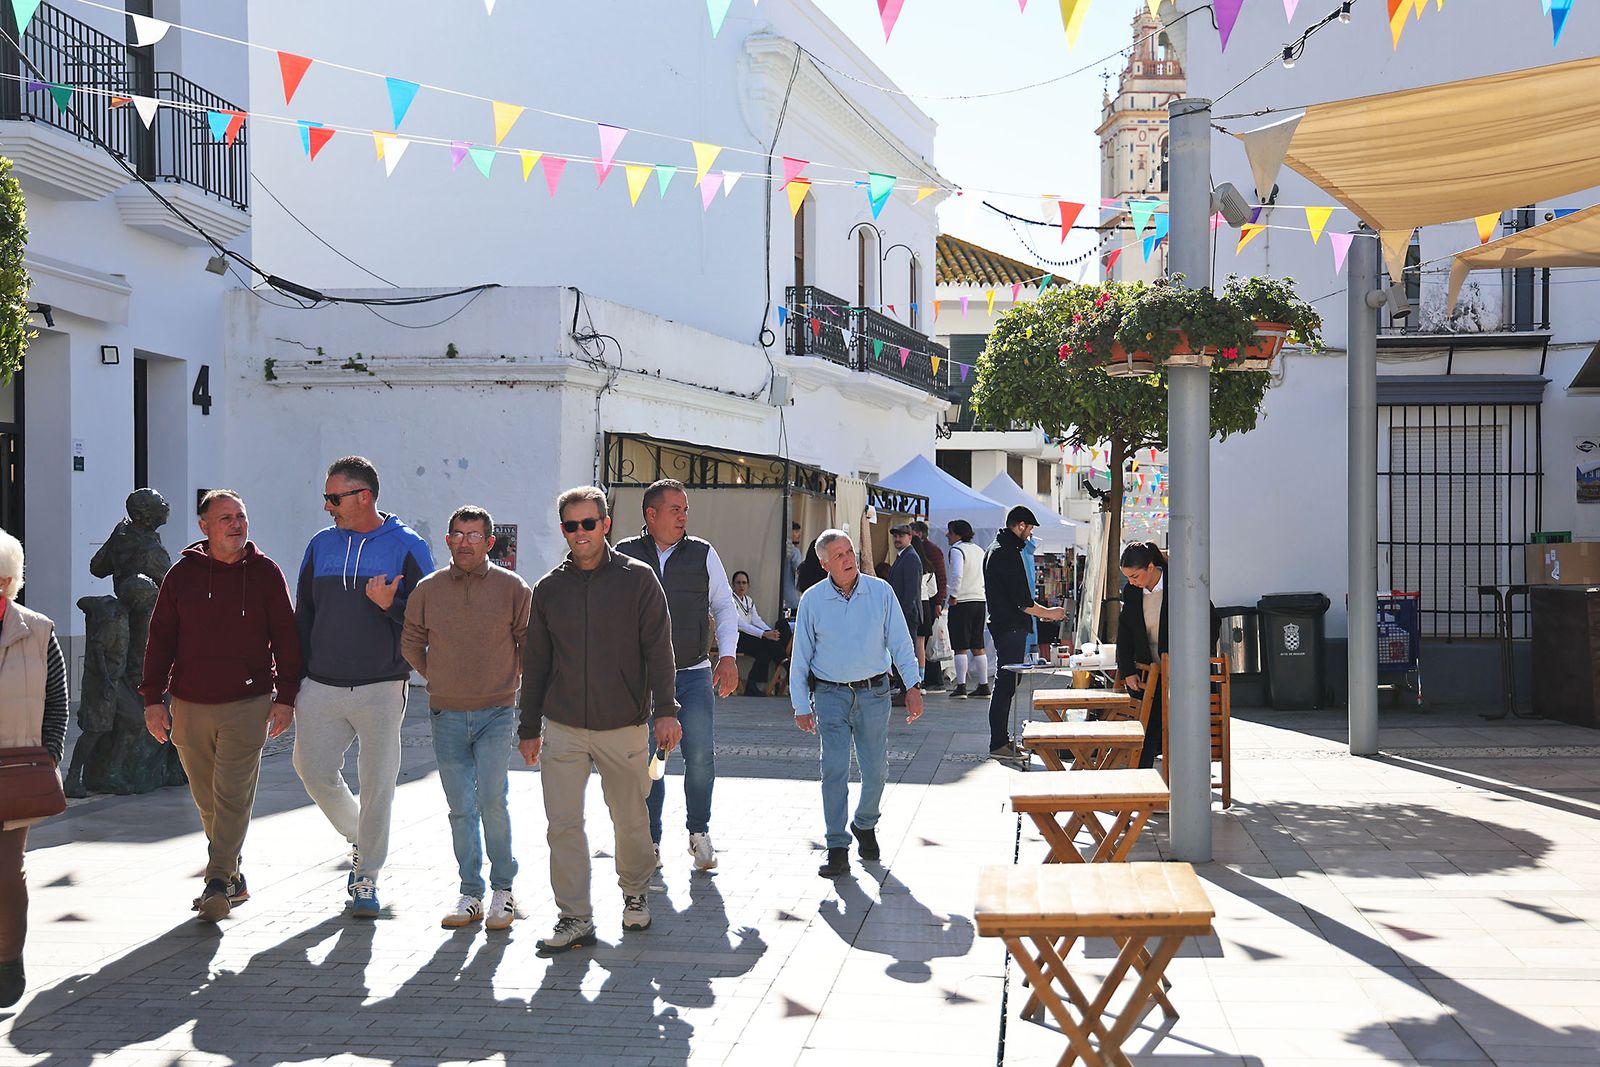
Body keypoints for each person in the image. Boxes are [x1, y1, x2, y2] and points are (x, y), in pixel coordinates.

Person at [518, 486, 682, 952]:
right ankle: (574, 916)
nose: (580, 534)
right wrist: (529, 728)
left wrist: (666, 711)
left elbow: (659, 650)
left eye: (588, 524)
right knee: (562, 824)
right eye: (571, 526)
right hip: (564, 727)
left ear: (605, 524)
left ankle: (635, 893)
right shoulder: (549, 589)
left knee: (630, 820)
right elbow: (537, 662)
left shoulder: (638, 578)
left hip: (624, 724)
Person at [140, 490, 301, 922]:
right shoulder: (182, 575)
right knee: (207, 796)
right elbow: (160, 639)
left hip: (248, 701)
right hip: (190, 702)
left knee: (231, 792)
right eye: (226, 518)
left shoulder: (265, 573)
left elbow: (287, 637)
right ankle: (234, 875)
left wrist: (285, 697)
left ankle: (217, 879)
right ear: (205, 527)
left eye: (241, 516)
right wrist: (153, 699)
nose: (236, 524)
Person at [293, 456, 435, 919]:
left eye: (335, 498)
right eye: (326, 498)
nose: (328, 507)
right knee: (311, 770)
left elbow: (429, 616)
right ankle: (361, 835)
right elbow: (304, 614)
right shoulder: (320, 545)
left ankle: (367, 876)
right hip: (321, 683)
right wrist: (292, 682)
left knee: (378, 785)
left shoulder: (408, 545)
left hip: (382, 684)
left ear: (364, 496)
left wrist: (391, 604)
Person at [402, 505, 532, 931]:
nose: (464, 542)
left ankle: (503, 891)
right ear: (447, 540)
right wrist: (436, 676)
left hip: (497, 711)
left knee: (493, 800)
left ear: (490, 542)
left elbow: (529, 645)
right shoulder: (428, 589)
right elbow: (410, 642)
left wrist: (521, 691)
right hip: (446, 713)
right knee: (460, 808)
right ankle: (470, 893)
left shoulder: (513, 588)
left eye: (474, 535)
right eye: (457, 534)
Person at [614, 480, 741, 872]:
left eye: (686, 509)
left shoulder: (703, 553)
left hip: (693, 673)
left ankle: (698, 832)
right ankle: (650, 841)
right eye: (675, 509)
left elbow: (723, 606)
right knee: (649, 762)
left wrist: (729, 657)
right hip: (642, 680)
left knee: (701, 756)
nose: (684, 516)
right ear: (650, 515)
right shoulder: (623, 554)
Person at [790, 529, 923, 878]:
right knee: (833, 770)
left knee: (876, 771)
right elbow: (800, 657)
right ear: (824, 564)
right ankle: (836, 846)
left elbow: (900, 641)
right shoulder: (813, 600)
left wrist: (913, 685)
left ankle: (864, 823)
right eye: (838, 555)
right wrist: (800, 703)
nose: (848, 559)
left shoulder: (880, 592)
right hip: (830, 696)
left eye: (849, 552)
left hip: (873, 694)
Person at [0, 527, 67, 1007]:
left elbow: (57, 704)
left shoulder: (37, 630)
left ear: (8, 580)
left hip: (12, 770)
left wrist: (45, 758)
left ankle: (7, 962)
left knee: (6, 871)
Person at [1114, 541, 1221, 770]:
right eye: (1128, 578)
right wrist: (1128, 671)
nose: (1132, 582)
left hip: (1182, 671)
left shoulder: (1182, 583)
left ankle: (1183, 781)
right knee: (1146, 727)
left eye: (1135, 576)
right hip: (1149, 671)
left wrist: (1196, 659)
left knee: (1182, 727)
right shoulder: (1132, 592)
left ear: (1151, 567)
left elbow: (1211, 620)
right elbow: (1124, 632)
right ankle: (1143, 783)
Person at [983, 506, 1066, 760]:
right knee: (1006, 683)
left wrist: (1040, 612)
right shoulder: (1006, 552)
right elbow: (1022, 600)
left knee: (1007, 682)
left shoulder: (999, 548)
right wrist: (1050, 613)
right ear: (1019, 525)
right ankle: (999, 742)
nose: (1030, 534)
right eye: (1029, 529)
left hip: (1006, 624)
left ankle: (1000, 740)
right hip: (1009, 626)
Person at [944, 520, 990, 700]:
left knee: (960, 645)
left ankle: (961, 685)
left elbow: (957, 574)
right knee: (978, 645)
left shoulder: (957, 550)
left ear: (957, 534)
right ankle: (984, 684)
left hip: (962, 600)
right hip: (979, 599)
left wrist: (953, 594)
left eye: (950, 532)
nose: (947, 535)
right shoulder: (979, 550)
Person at [729, 571, 791, 697]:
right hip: (735, 637)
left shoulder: (749, 601)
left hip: (748, 636)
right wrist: (764, 634)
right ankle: (786, 664)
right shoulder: (730, 601)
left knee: (768, 646)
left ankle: (752, 684)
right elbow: (740, 624)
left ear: (748, 585)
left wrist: (771, 632)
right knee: (766, 643)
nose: (741, 586)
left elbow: (756, 620)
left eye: (744, 583)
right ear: (733, 585)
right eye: (738, 583)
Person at [909, 521, 948, 691]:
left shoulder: (909, 561)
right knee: (921, 644)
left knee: (910, 644)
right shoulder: (928, 564)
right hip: (925, 604)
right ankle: (922, 680)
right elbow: (934, 589)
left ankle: (912, 681)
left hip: (913, 605)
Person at [781, 522, 804, 614]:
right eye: (796, 532)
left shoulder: (777, 548)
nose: (799, 535)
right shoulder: (794, 552)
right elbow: (799, 572)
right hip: (792, 600)